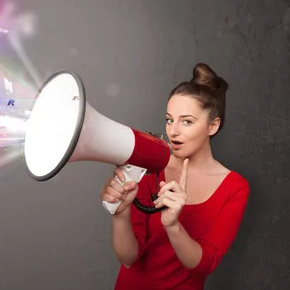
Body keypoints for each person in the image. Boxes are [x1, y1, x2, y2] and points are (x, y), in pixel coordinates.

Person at [100, 63, 250, 290]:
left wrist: (173, 226)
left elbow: (204, 265)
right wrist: (121, 214)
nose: (173, 131)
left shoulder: (235, 188)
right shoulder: (149, 167)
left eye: (187, 121)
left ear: (213, 126)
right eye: (170, 119)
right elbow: (129, 258)